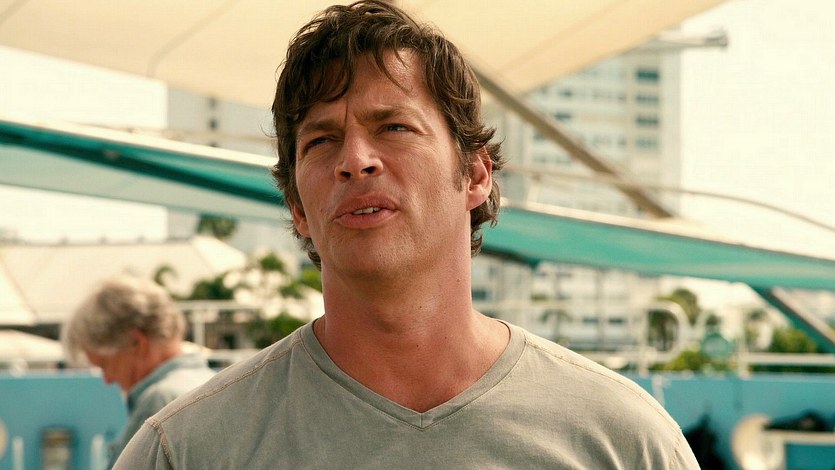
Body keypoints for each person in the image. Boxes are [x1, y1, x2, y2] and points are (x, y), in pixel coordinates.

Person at [116, 1, 700, 468]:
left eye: (393, 127)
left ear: (475, 174)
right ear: (297, 207)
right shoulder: (187, 450)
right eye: (321, 141)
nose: (355, 160)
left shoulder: (622, 440)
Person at [64, 274, 215, 467]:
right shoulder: (215, 384)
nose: (107, 379)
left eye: (105, 365)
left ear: (135, 343)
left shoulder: (159, 401)